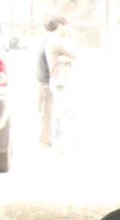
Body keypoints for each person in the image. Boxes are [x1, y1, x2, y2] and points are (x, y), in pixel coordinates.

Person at [44, 16, 76, 151]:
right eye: (65, 26)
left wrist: (66, 58)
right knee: (65, 113)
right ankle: (63, 144)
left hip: (58, 80)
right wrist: (70, 35)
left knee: (60, 112)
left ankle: (59, 143)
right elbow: (75, 53)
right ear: (60, 26)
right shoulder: (57, 40)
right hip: (60, 81)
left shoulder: (52, 39)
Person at [37, 18, 62, 148]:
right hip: (46, 81)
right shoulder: (52, 41)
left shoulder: (45, 38)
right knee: (47, 113)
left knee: (45, 111)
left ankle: (46, 138)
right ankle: (45, 140)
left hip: (42, 80)